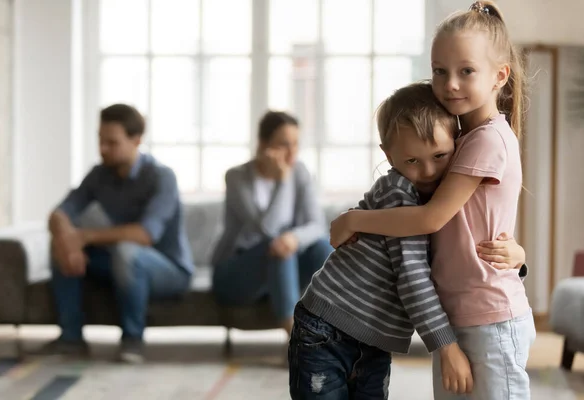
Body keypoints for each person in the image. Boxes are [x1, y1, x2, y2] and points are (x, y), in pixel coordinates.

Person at [329, 2, 535, 398]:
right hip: (460, 314)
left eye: (466, 71)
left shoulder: (487, 139)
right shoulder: (458, 139)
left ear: (500, 76)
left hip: (488, 315)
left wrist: (355, 219)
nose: (450, 83)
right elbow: (477, 223)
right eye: (440, 71)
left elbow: (430, 219)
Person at [288, 82, 527, 399]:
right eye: (412, 161)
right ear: (388, 155)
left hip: (371, 339)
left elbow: (462, 245)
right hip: (327, 330)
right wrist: (446, 346)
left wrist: (518, 259)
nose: (428, 171)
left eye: (440, 155)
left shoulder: (443, 196)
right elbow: (413, 276)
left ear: (456, 143)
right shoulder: (400, 192)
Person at [43, 104, 194, 363]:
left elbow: (145, 234)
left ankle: (132, 340)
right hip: (119, 264)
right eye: (100, 140)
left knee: (126, 252)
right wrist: (67, 239)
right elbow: (60, 212)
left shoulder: (162, 177)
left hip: (168, 269)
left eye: (111, 142)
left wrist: (85, 236)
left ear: (136, 141)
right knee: (61, 245)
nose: (103, 149)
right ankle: (71, 339)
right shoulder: (99, 174)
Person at [211, 111, 333, 336]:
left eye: (296, 144)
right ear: (263, 145)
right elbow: (266, 230)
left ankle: (334, 331)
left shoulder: (301, 172)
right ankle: (297, 341)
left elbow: (317, 225)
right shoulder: (237, 177)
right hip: (236, 273)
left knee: (323, 248)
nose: (292, 152)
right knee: (278, 248)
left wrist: (294, 238)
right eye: (284, 145)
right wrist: (283, 181)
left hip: (281, 270)